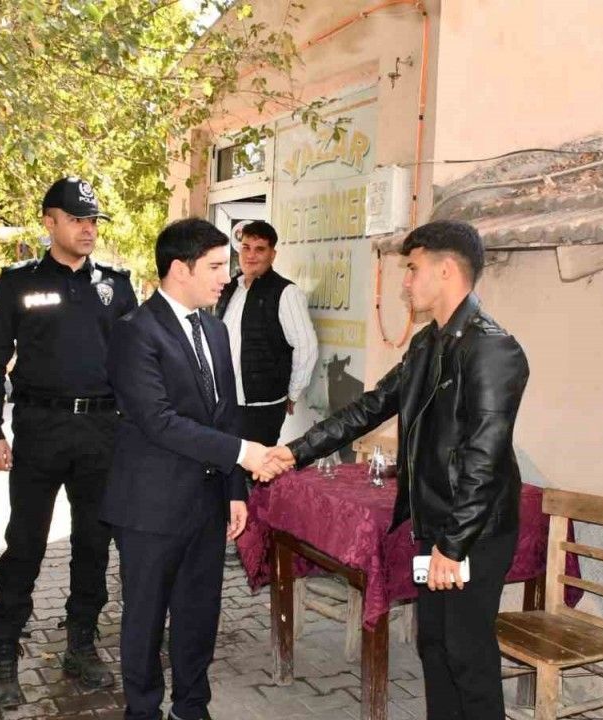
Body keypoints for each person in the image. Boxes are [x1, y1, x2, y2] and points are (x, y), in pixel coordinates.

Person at [268, 221, 530, 719]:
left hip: (474, 531)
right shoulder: (428, 343)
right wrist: (296, 451)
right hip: (435, 522)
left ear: (446, 269)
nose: (405, 282)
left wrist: (454, 545)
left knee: (468, 656)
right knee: (435, 647)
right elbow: (371, 407)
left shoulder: (493, 349)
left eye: (412, 268)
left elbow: (484, 457)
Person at [102, 218, 284, 720]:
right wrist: (243, 454)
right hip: (150, 507)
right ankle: (143, 709)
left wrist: (235, 490)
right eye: (216, 266)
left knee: (199, 614)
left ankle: (191, 706)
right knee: (145, 618)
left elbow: (226, 413)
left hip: (206, 503)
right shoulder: (135, 332)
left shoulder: (215, 329)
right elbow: (159, 421)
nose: (227, 276)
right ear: (180, 269)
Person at [0, 177, 137, 704]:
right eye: (76, 220)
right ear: (49, 222)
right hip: (40, 430)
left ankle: (81, 645)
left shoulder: (116, 285)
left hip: (102, 433)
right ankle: (5, 651)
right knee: (25, 543)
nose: (88, 229)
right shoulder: (18, 283)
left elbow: (137, 362)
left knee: (93, 544)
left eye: (93, 221)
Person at [215, 220, 317, 446]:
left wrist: (293, 393)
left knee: (255, 467)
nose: (251, 255)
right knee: (221, 466)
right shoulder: (229, 289)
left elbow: (306, 346)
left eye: (259, 249)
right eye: (246, 247)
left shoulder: (285, 293)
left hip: (261, 408)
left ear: (273, 255)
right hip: (225, 403)